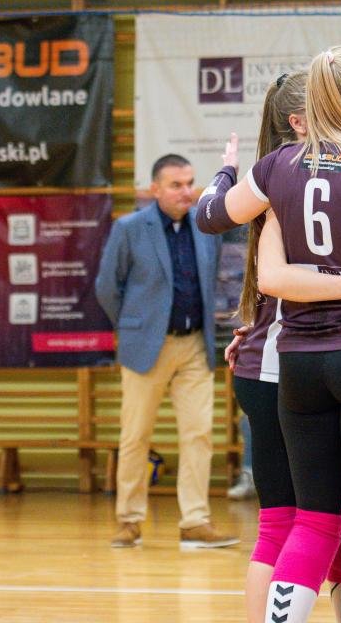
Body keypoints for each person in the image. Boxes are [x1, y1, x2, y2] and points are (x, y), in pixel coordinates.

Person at [197, 45, 341, 623]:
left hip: (297, 364)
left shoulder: (277, 166)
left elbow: (211, 215)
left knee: (311, 522)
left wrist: (223, 174)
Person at [94, 153, 239, 550]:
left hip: (194, 345)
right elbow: (107, 287)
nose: (186, 192)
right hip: (146, 347)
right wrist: (133, 326)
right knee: (135, 435)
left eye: (190, 183)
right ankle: (129, 520)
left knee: (199, 433)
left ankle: (195, 521)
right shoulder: (129, 228)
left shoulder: (205, 228)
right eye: (176, 185)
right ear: (154, 189)